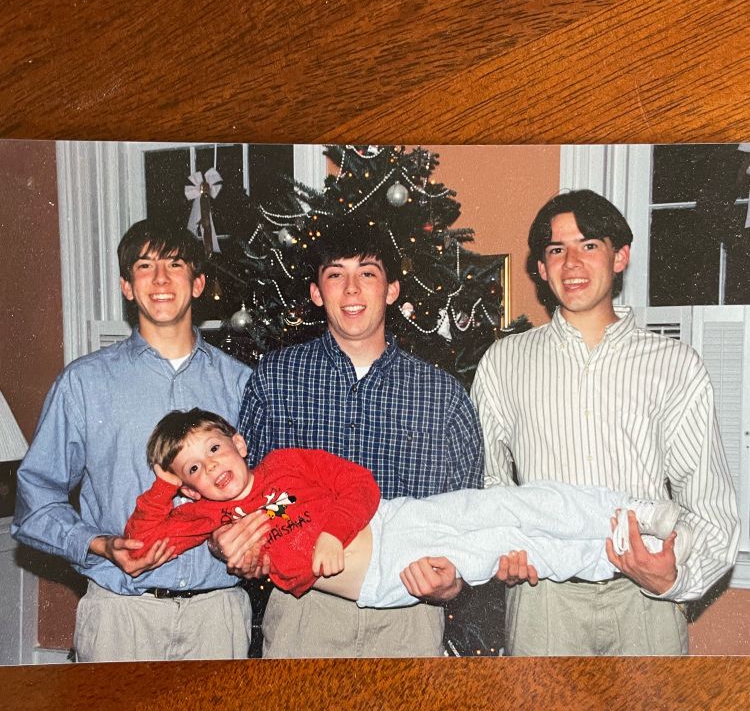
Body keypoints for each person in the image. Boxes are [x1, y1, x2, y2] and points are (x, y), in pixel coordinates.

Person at [468, 189, 740, 656]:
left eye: (589, 245)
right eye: (557, 249)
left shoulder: (675, 364)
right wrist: (501, 546)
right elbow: (486, 479)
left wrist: (674, 577)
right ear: (541, 267)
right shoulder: (504, 362)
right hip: (542, 601)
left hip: (645, 605)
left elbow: (709, 502)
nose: (571, 263)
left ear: (620, 257)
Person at [214, 215, 485, 658]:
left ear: (392, 290)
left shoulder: (443, 397)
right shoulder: (277, 380)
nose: (352, 290)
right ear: (317, 293)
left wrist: (454, 581)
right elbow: (241, 496)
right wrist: (236, 540)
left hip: (408, 612)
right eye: (336, 275)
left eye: (368, 274)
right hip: (304, 610)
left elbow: (469, 515)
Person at [12, 220, 268, 662]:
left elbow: (272, 488)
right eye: (145, 266)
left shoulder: (243, 385)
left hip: (218, 616)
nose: (162, 279)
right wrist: (100, 545)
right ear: (127, 286)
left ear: (199, 282)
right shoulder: (85, 383)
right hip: (119, 617)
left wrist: (254, 541)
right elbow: (36, 501)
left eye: (176, 264)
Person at [127, 409, 682, 607]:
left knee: (507, 503)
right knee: (501, 548)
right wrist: (160, 485)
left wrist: (331, 534)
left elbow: (359, 484)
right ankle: (615, 555)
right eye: (194, 469)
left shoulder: (286, 464)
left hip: (391, 519)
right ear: (189, 490)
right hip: (383, 578)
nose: (212, 467)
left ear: (239, 443)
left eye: (214, 448)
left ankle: (632, 515)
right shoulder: (208, 519)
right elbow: (144, 542)